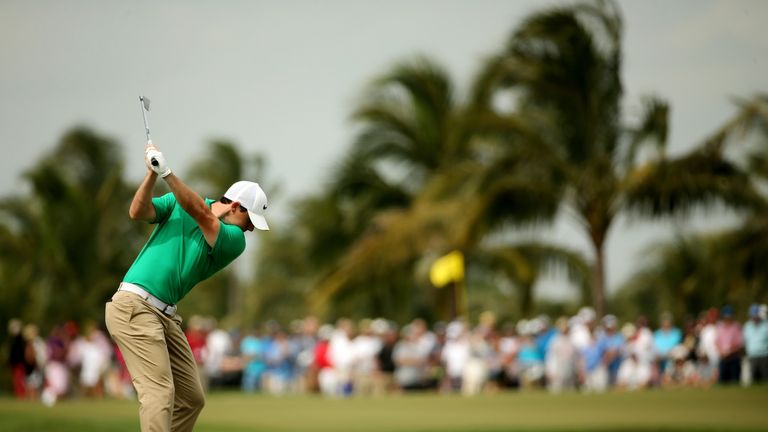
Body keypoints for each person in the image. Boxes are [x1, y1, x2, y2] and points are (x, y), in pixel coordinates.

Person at [104, 143, 269, 432]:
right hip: (133, 306)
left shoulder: (234, 240)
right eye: (250, 219)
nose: (251, 229)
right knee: (159, 393)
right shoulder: (176, 202)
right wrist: (152, 175)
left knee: (191, 399)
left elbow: (202, 215)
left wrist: (167, 172)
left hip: (165, 316)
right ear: (235, 206)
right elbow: (137, 211)